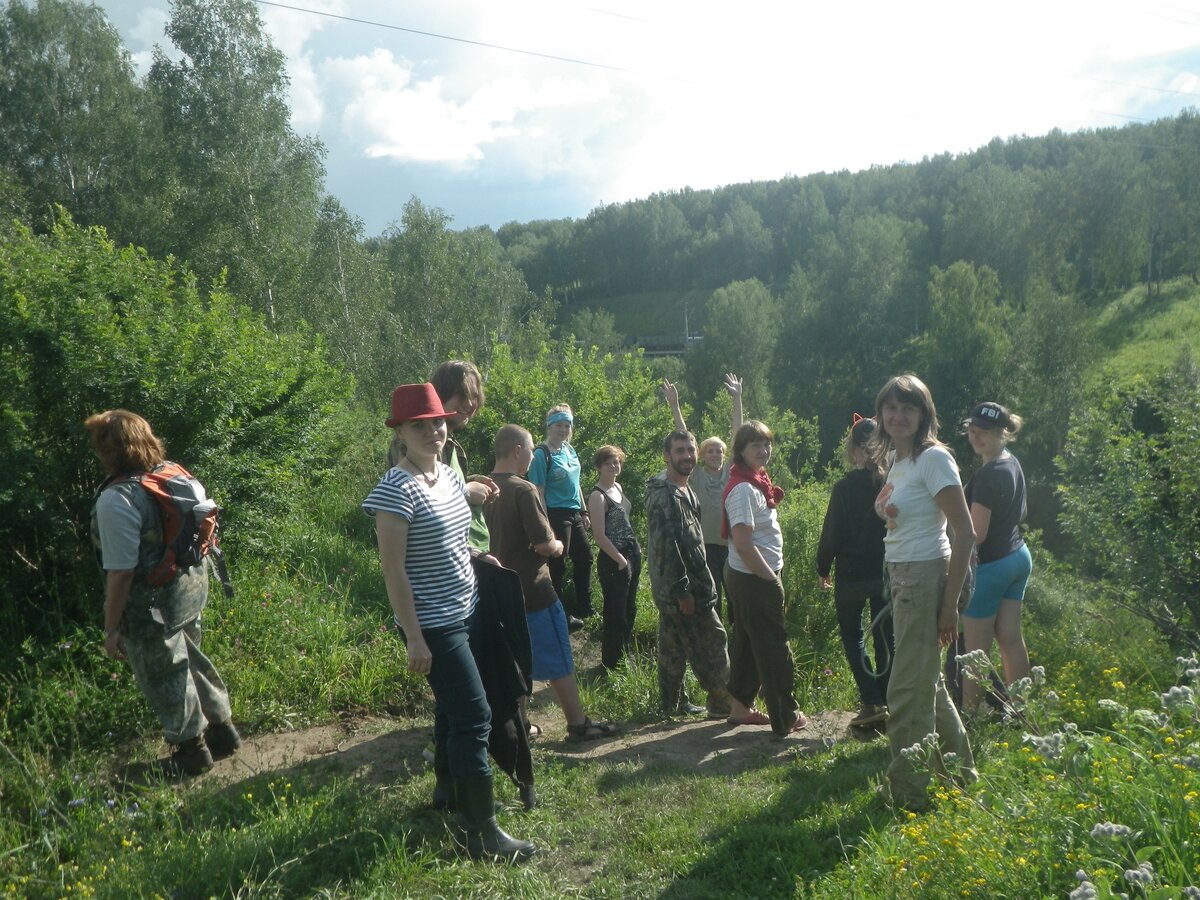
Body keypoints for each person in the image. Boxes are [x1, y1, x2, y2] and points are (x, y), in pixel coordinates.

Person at [364, 384, 534, 862]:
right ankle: (480, 832)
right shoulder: (395, 490)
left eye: (437, 421)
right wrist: (413, 636)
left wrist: (478, 554)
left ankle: (446, 793)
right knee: (475, 716)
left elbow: (454, 539)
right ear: (400, 432)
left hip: (469, 605)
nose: (432, 431)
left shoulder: (446, 475)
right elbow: (393, 570)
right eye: (419, 425)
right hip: (434, 623)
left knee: (451, 710)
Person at [85, 410, 240, 778]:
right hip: (189, 591)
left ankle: (190, 750)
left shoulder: (116, 499)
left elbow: (121, 573)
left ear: (108, 452)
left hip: (150, 604)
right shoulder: (174, 473)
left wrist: (111, 628)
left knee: (164, 672)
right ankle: (223, 731)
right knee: (194, 659)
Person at [870, 374, 978, 812]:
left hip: (925, 576)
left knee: (905, 690)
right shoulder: (899, 460)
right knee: (927, 684)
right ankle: (960, 776)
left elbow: (966, 534)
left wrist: (949, 605)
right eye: (891, 408)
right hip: (904, 575)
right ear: (881, 414)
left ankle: (910, 793)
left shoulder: (934, 460)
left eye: (907, 409)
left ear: (923, 414)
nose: (898, 416)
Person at [486, 425, 618, 740]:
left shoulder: (481, 489)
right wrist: (558, 546)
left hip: (496, 592)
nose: (533, 457)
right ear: (518, 451)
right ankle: (577, 724)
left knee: (515, 661)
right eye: (530, 450)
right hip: (534, 591)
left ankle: (520, 725)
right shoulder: (524, 489)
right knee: (559, 656)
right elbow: (545, 544)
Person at [645, 430, 746, 721]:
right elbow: (666, 547)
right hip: (685, 590)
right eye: (680, 451)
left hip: (685, 587)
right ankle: (723, 702)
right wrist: (681, 591)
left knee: (673, 646)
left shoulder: (685, 490)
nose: (687, 456)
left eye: (690, 450)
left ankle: (670, 707)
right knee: (714, 641)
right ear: (667, 456)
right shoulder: (665, 496)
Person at [722, 420, 807, 737]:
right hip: (755, 578)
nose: (763, 449)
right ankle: (785, 716)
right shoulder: (744, 489)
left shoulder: (755, 480)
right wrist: (771, 580)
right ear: (741, 451)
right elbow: (743, 544)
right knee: (773, 647)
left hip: (753, 576)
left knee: (746, 642)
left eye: (767, 443)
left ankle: (740, 708)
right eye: (755, 445)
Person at [817, 415, 894, 729]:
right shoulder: (892, 483)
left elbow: (832, 533)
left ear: (855, 451)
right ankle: (887, 700)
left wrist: (823, 568)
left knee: (853, 636)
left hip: (850, 575)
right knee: (886, 638)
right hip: (885, 571)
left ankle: (871, 699)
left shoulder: (844, 487)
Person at [961, 401, 1032, 713]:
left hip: (991, 566)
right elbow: (1023, 511)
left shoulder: (989, 475)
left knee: (974, 650)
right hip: (1017, 556)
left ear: (1003, 432)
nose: (977, 437)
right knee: (1010, 639)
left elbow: (977, 534)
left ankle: (970, 717)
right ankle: (1025, 710)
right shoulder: (1010, 462)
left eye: (985, 433)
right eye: (973, 430)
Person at [388, 360, 498, 555]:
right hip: (447, 558)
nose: (470, 403)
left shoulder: (452, 446)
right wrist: (467, 490)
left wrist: (470, 482)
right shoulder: (414, 443)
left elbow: (439, 482)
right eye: (462, 395)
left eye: (474, 396)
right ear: (440, 394)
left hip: (467, 552)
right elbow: (416, 497)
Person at [663, 374, 743, 619]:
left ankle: (738, 648)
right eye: (710, 450)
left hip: (730, 547)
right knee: (711, 600)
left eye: (719, 450)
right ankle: (716, 644)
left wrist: (737, 398)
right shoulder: (695, 474)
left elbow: (738, 434)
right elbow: (682, 434)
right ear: (701, 454)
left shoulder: (731, 471)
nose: (716, 454)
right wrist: (674, 404)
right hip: (703, 547)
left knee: (736, 601)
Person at [527, 404, 593, 630]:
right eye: (559, 425)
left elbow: (576, 485)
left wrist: (584, 511)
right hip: (555, 513)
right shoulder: (541, 454)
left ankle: (585, 605)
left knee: (585, 558)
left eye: (567, 425)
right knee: (558, 565)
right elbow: (538, 492)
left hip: (574, 512)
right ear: (549, 426)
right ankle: (560, 613)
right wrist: (544, 522)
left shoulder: (569, 450)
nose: (564, 429)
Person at [588, 446, 641, 671]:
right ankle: (610, 664)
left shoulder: (617, 487)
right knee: (615, 613)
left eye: (617, 462)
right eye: (608, 462)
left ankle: (624, 656)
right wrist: (619, 559)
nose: (613, 466)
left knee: (630, 608)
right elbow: (599, 535)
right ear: (600, 466)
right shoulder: (597, 496)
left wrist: (631, 555)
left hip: (631, 552)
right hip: (613, 559)